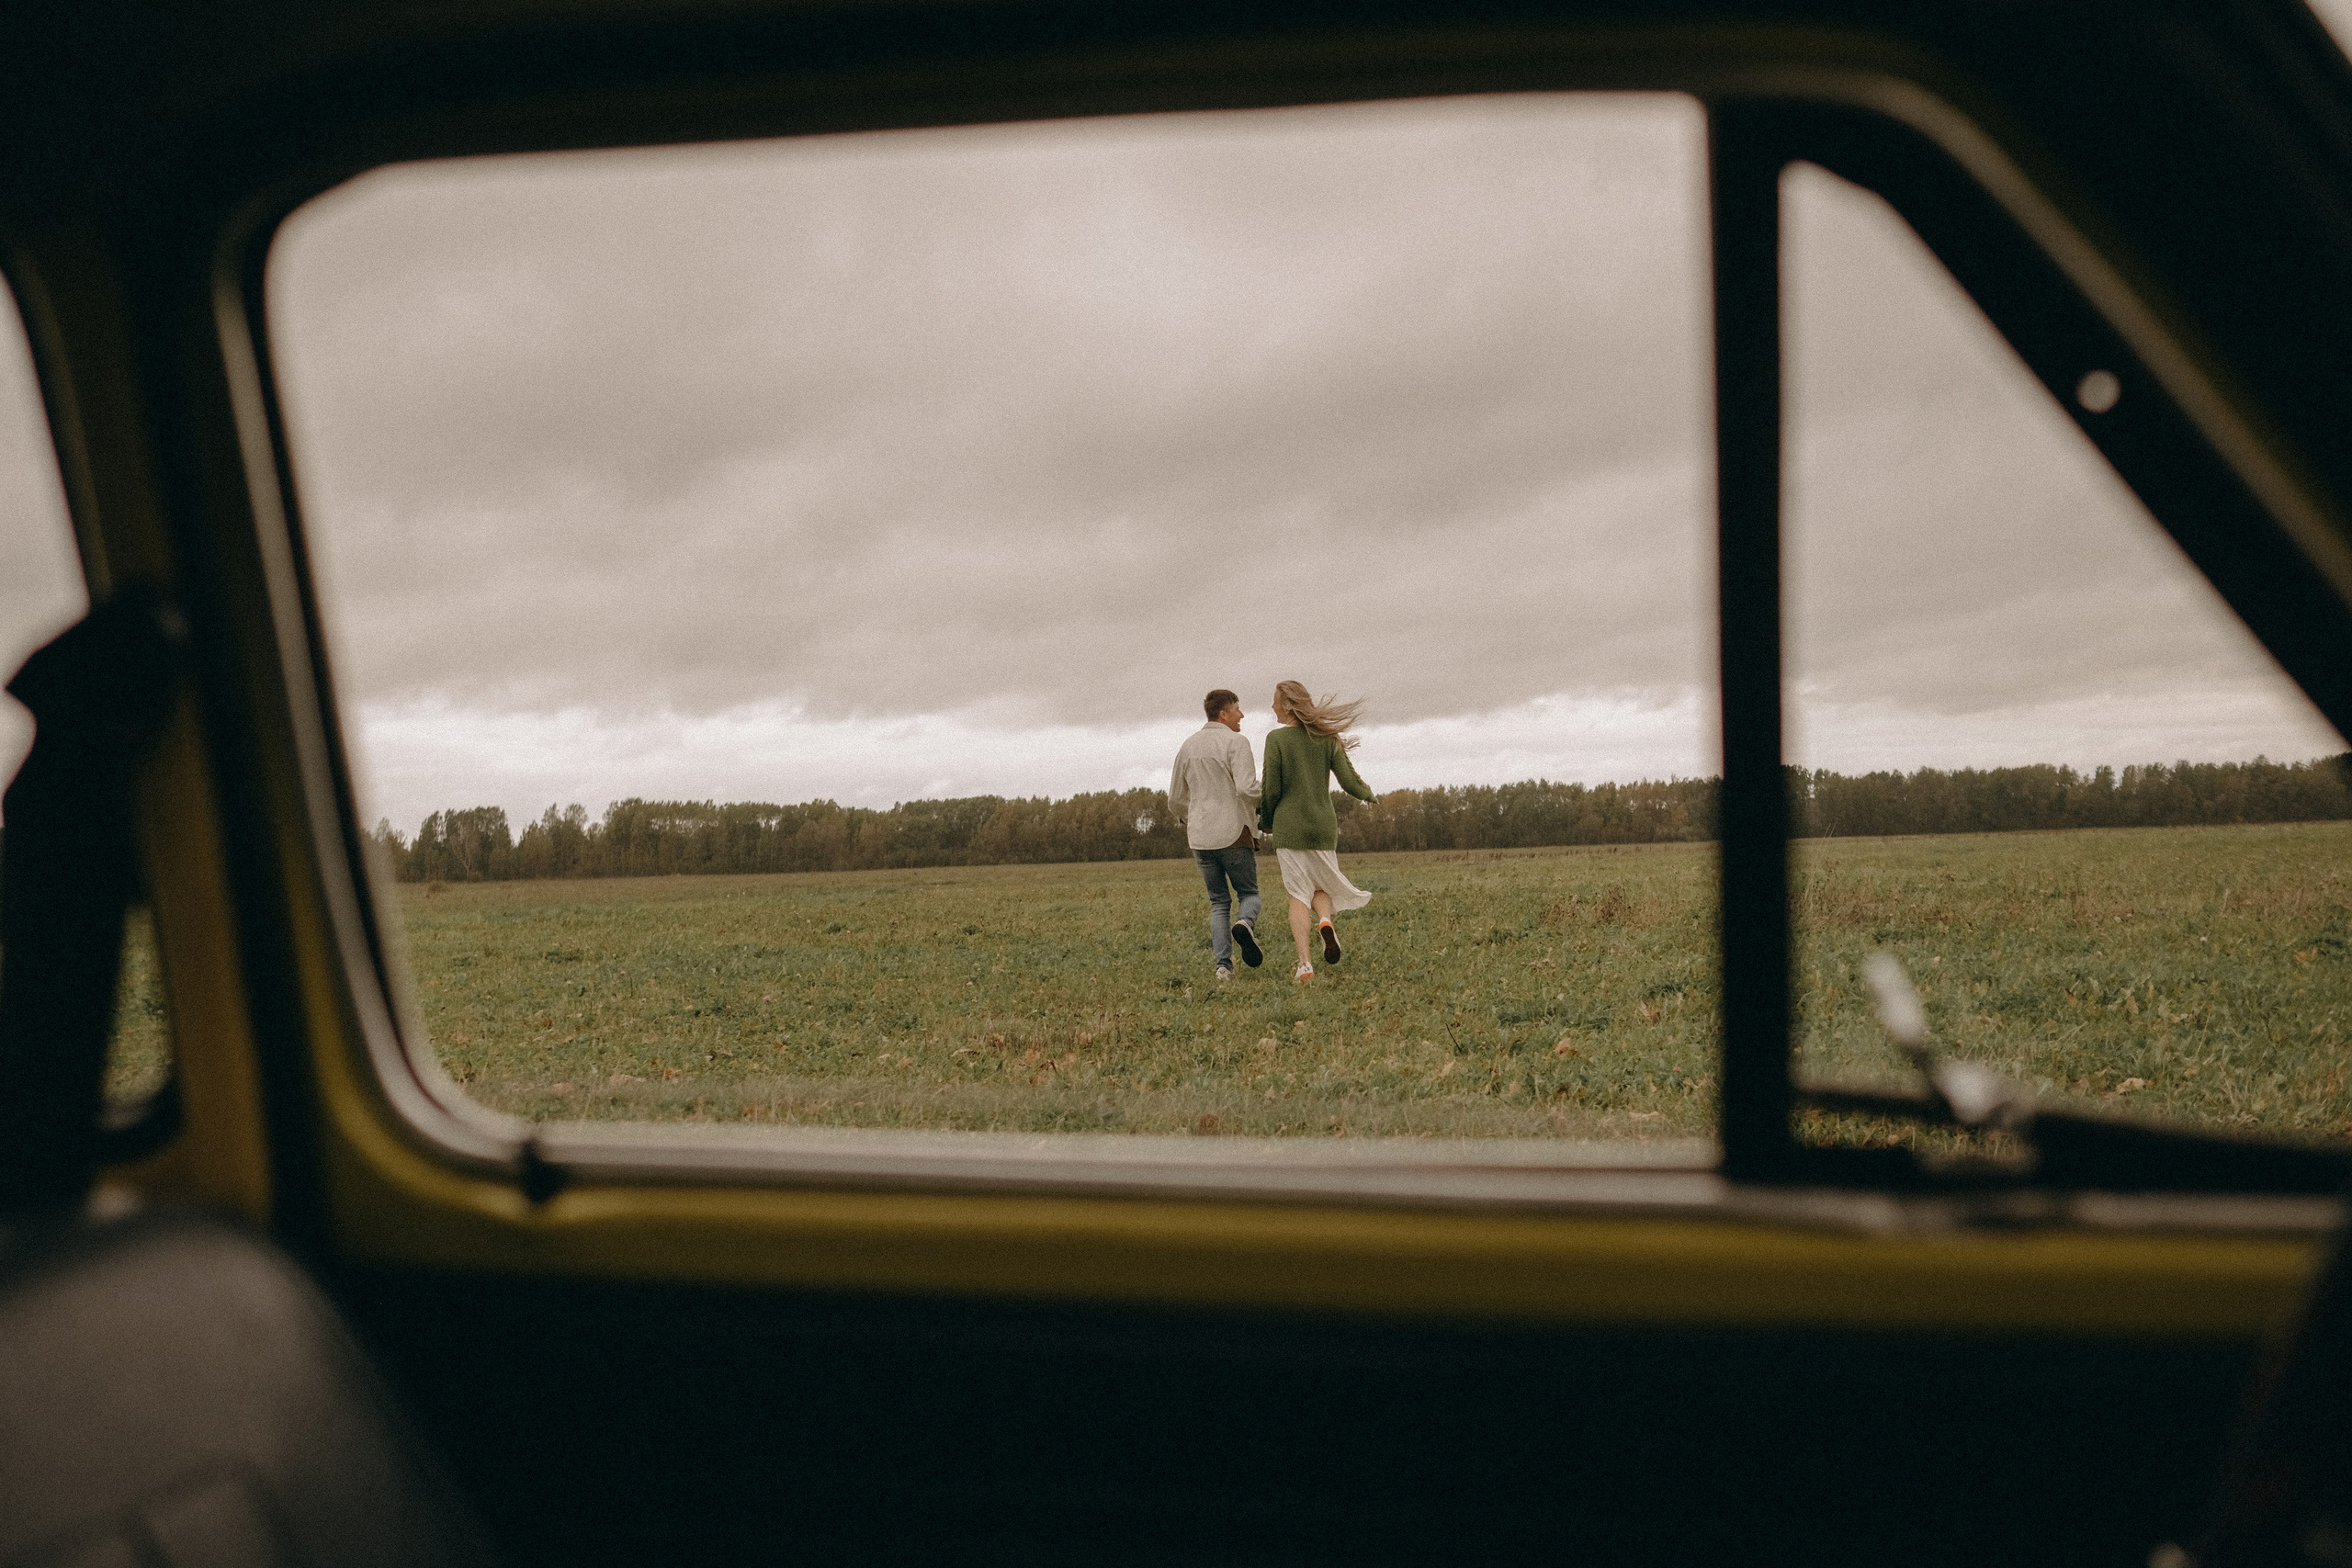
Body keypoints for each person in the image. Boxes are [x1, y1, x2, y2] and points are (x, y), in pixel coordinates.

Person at [1257, 680, 1374, 983]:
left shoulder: (1276, 740)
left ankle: (1305, 965)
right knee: (1320, 887)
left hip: (1289, 826)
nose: (1272, 707)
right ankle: (1325, 920)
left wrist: (1266, 821)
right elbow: (1348, 780)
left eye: (1274, 701)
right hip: (1322, 826)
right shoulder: (1328, 738)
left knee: (1298, 893)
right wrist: (1367, 794)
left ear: (1287, 705)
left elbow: (1271, 789)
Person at [1167, 688, 1265, 980]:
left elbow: (1174, 799)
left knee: (1218, 901)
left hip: (1200, 836)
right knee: (1249, 893)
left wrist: (1191, 816)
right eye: (1238, 709)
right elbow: (1247, 788)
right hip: (1234, 832)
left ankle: (1224, 967)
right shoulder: (1237, 742)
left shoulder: (1188, 746)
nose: (1242, 715)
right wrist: (1271, 796)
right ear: (1224, 713)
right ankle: (1245, 923)